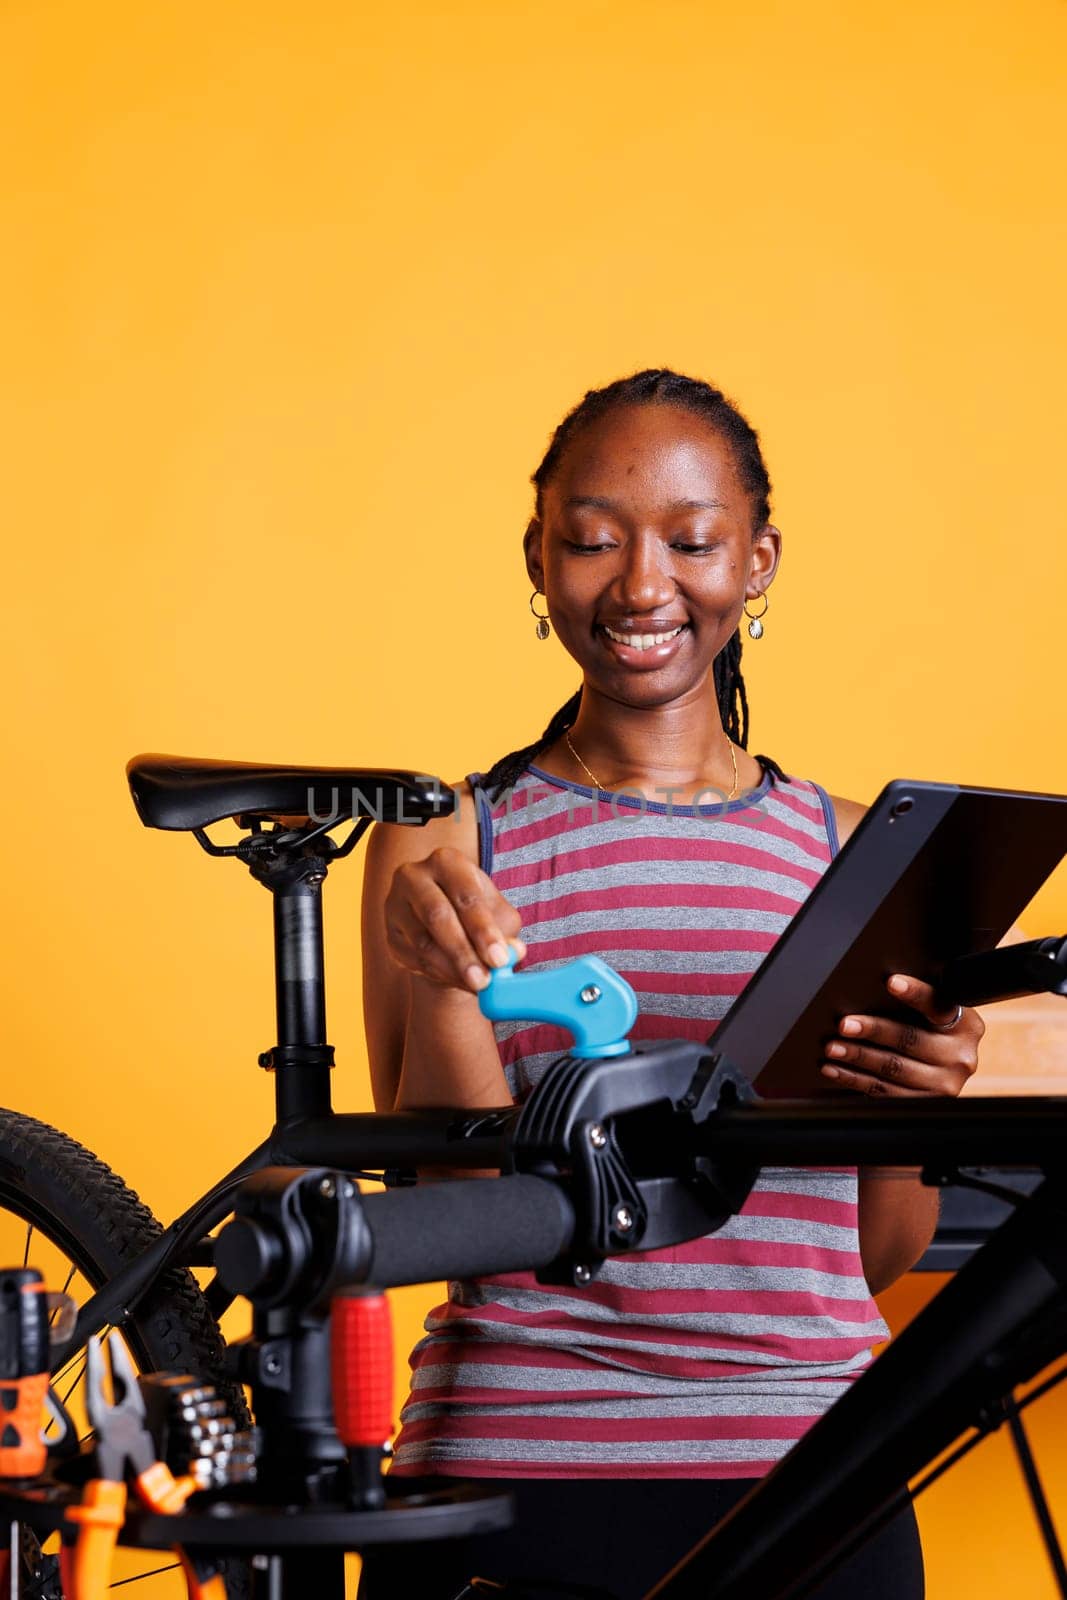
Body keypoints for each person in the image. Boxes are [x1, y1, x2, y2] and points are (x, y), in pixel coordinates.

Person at [358, 369, 983, 1600]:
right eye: (592, 540)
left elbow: (871, 1260)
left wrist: (918, 1109)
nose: (642, 585)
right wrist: (444, 982)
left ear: (756, 562)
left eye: (691, 542)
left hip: (812, 1475)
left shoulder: (854, 854)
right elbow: (450, 1207)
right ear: (538, 561)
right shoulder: (448, 840)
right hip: (515, 1469)